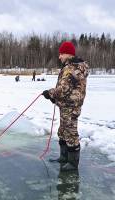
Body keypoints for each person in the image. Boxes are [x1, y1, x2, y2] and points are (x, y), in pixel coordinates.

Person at [42, 41, 89, 171]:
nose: (59, 57)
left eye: (61, 54)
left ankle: (73, 163)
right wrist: (55, 99)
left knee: (70, 133)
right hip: (66, 105)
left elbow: (63, 89)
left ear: (68, 54)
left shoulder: (73, 69)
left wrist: (50, 93)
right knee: (62, 131)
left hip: (71, 107)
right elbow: (66, 91)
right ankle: (64, 157)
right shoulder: (70, 66)